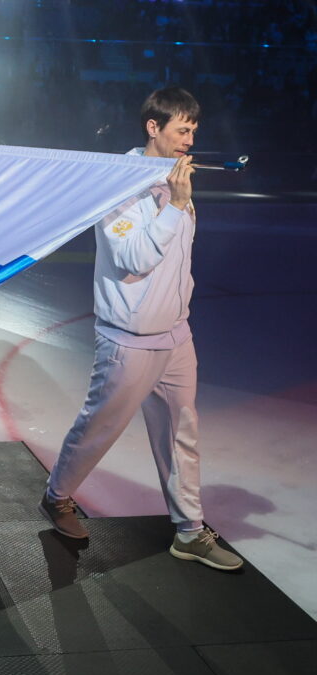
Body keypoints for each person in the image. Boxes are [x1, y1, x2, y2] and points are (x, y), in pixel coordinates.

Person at [38, 87, 243, 571]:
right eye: (182, 130)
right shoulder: (118, 185)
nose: (189, 140)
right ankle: (57, 495)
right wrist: (175, 206)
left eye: (193, 131)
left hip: (176, 335)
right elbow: (133, 259)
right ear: (153, 127)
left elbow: (179, 259)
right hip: (127, 341)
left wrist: (177, 202)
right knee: (100, 428)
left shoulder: (175, 182)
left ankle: (189, 531)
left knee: (182, 433)